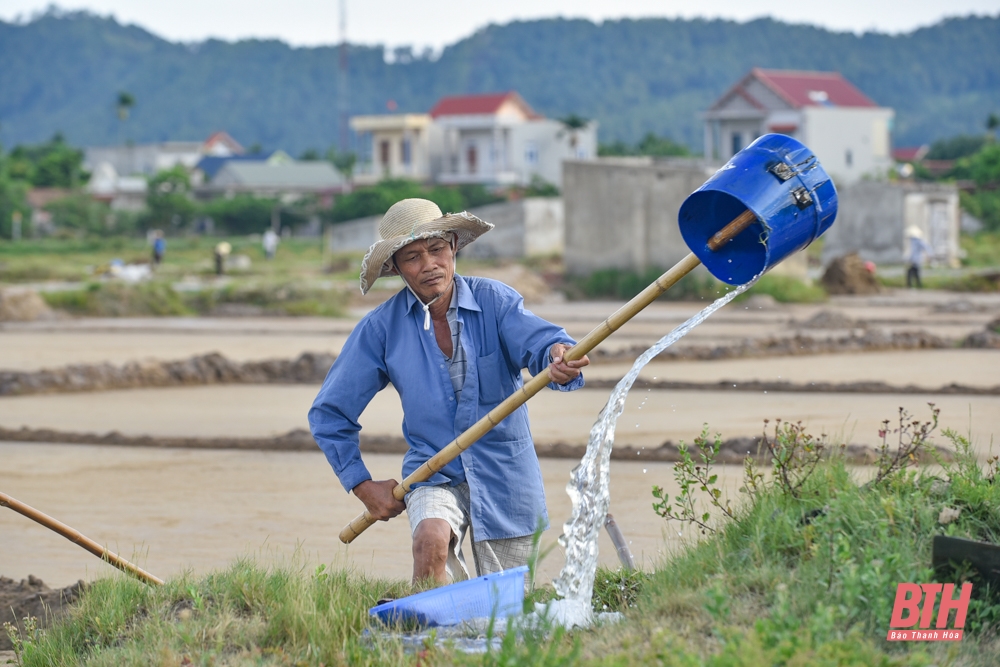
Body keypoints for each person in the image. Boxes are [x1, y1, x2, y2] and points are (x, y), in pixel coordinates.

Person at [308, 198, 589, 586]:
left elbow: (544, 345)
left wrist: (557, 359)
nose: (429, 266)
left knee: (506, 610)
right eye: (412, 258)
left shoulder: (495, 301)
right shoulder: (381, 328)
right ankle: (428, 643)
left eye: (437, 249)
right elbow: (329, 412)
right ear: (396, 268)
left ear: (453, 245)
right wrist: (362, 484)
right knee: (430, 540)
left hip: (505, 473)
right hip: (433, 472)